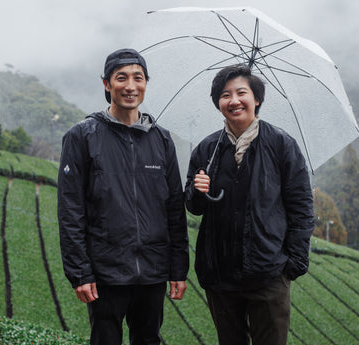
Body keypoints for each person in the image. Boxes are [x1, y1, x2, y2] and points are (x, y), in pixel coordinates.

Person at [58, 48, 189, 345]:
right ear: (107, 84)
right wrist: (80, 272)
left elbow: (173, 207)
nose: (131, 86)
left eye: (138, 78)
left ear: (146, 83)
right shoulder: (83, 136)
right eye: (122, 78)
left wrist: (178, 268)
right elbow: (70, 210)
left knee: (149, 339)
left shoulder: (162, 140)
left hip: (153, 271)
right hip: (106, 271)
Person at [185, 64, 314, 345]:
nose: (233, 101)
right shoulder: (207, 150)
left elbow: (301, 206)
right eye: (225, 95)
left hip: (268, 273)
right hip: (220, 274)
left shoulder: (281, 145)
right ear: (218, 103)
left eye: (241, 92)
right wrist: (197, 191)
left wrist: (293, 264)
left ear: (256, 98)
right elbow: (194, 207)